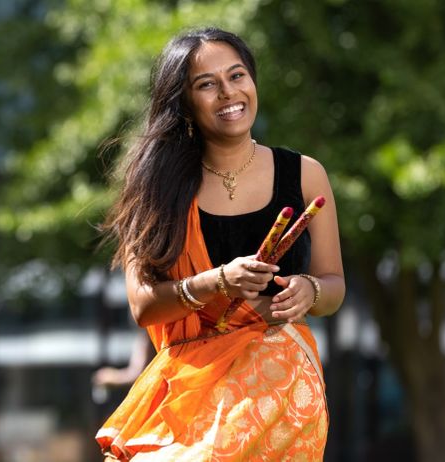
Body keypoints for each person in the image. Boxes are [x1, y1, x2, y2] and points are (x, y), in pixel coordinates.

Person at [95, 27, 345, 461]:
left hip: (280, 383)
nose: (228, 93)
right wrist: (217, 283)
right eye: (206, 84)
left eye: (237, 76)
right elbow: (143, 305)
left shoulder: (305, 174)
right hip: (192, 388)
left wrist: (311, 290)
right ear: (185, 102)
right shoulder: (155, 187)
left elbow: (334, 286)